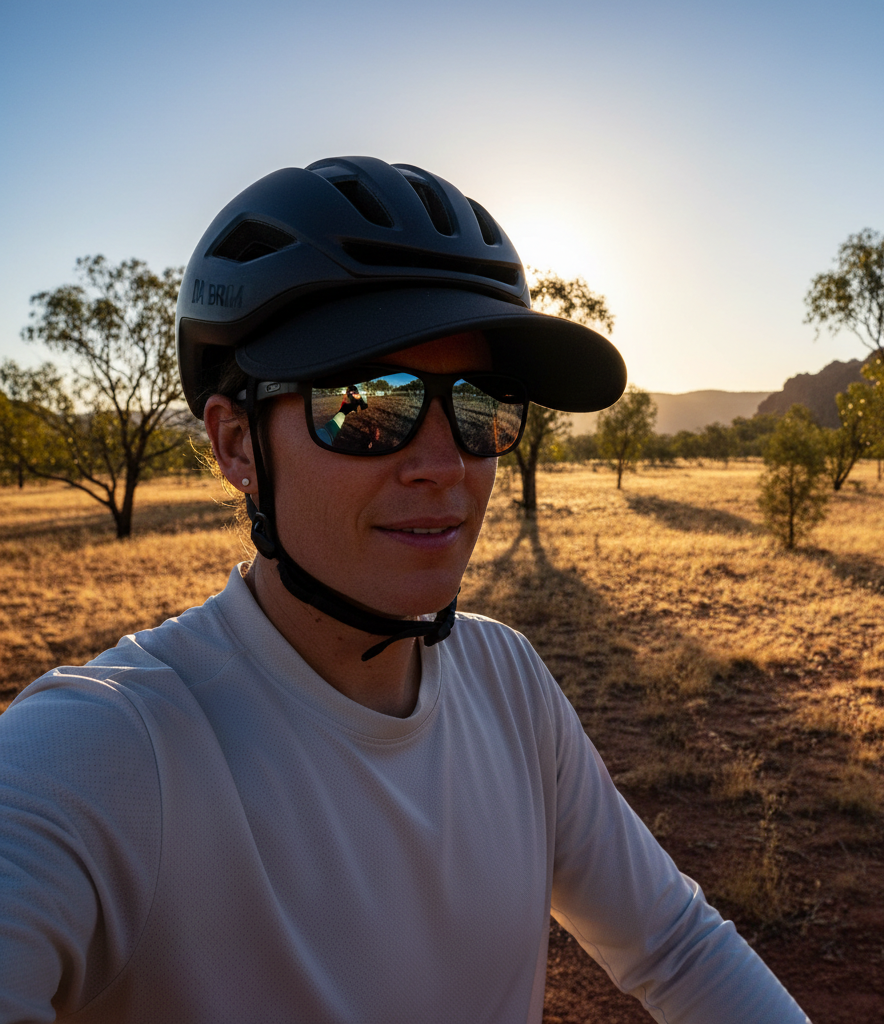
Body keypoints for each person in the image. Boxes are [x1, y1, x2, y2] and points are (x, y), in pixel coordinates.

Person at [0, 156, 810, 1023]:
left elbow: (675, 944)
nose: (444, 466)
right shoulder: (102, 751)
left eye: (483, 407)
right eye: (364, 404)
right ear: (237, 445)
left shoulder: (506, 681)